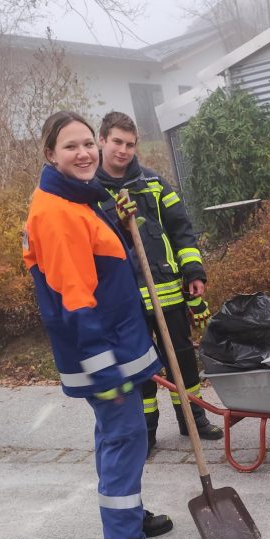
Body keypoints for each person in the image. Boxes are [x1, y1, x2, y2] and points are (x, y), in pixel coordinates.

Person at [24, 110, 176, 539]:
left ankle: (127, 515)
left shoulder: (78, 200)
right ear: (50, 154)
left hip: (117, 342)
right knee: (124, 436)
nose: (85, 152)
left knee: (119, 437)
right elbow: (75, 299)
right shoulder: (56, 213)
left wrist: (113, 218)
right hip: (102, 350)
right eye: (71, 146)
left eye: (88, 143)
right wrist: (102, 367)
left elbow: (103, 265)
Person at [96, 111, 223, 454]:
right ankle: (146, 431)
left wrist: (194, 273)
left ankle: (192, 420)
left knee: (182, 361)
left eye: (130, 144)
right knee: (141, 368)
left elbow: (182, 229)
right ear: (102, 140)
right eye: (117, 142)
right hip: (125, 302)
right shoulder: (90, 192)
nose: (123, 150)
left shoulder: (152, 184)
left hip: (167, 294)